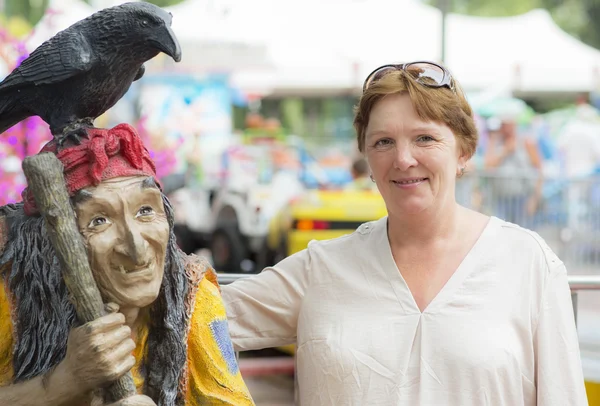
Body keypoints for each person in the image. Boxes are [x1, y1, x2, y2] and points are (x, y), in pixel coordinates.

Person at [221, 62, 588, 405]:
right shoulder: (321, 269)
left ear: (464, 151)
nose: (403, 159)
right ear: (366, 157)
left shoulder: (527, 263)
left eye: (425, 138)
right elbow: (192, 315)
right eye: (383, 142)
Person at [0, 124, 254, 406]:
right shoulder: (13, 297)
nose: (136, 246)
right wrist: (65, 381)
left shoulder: (190, 296)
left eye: (145, 210)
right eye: (99, 220)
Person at [483, 113, 543, 225]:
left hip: (522, 198)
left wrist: (535, 198)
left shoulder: (526, 142)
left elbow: (539, 169)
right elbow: (487, 166)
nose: (505, 128)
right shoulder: (495, 142)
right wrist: (505, 151)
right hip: (500, 199)